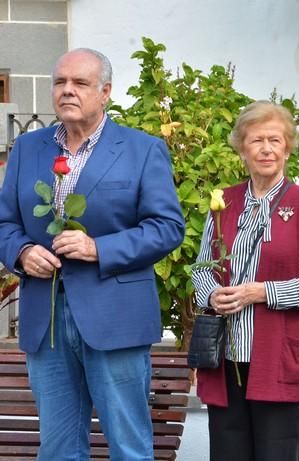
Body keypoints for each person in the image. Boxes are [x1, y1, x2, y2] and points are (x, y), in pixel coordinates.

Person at [0, 48, 185, 460]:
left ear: (105, 92)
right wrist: (22, 251)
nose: (67, 91)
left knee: (128, 447)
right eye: (60, 82)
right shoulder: (28, 149)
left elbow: (168, 228)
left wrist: (98, 247)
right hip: (44, 318)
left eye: (79, 83)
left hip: (115, 316)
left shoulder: (142, 149)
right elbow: (5, 222)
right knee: (59, 449)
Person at [191, 100, 299, 461]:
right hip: (225, 356)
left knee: (275, 453)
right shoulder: (223, 202)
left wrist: (263, 292)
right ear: (242, 148)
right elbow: (201, 269)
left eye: (275, 139)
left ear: (288, 147)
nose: (267, 149)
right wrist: (212, 296)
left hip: (277, 354)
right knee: (227, 453)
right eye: (256, 140)